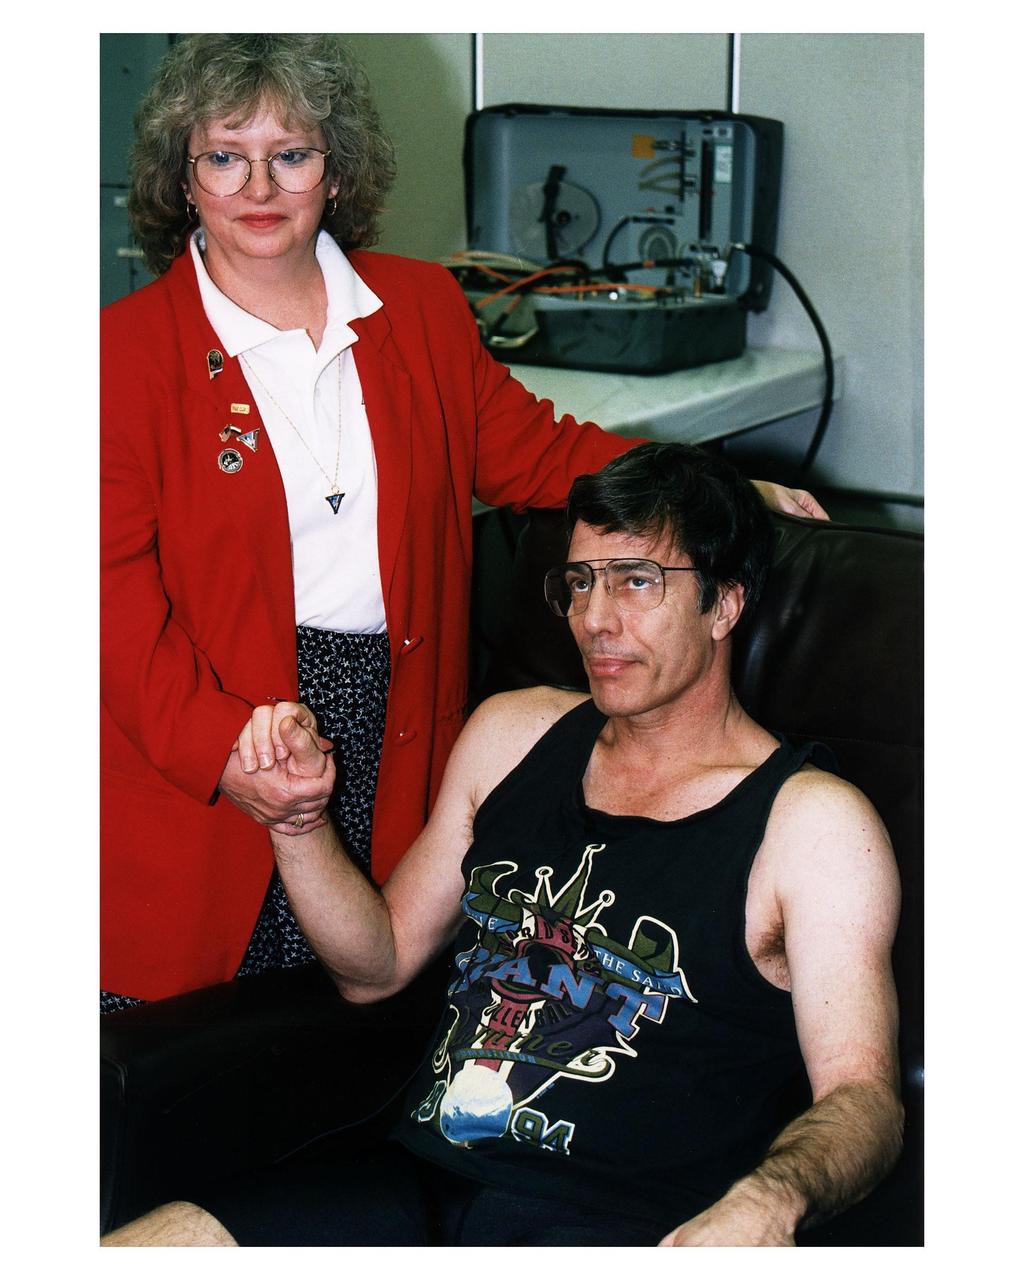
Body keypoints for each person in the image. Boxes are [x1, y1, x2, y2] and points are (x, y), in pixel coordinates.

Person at [100, 33, 828, 1011]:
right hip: (208, 742)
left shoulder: (420, 307)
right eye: (225, 157)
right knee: (194, 1049)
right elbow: (105, 611)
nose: (259, 187)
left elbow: (538, 450)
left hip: (392, 729)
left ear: (337, 168)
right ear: (182, 179)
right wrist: (226, 752)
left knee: (357, 1025)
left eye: (292, 154)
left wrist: (716, 487)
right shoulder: (116, 358)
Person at [102, 444, 900, 1247]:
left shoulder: (812, 827)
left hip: (612, 1221)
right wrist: (297, 821)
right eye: (580, 582)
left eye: (636, 581)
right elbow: (375, 968)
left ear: (723, 604)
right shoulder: (511, 736)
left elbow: (864, 1098)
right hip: (412, 1186)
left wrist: (771, 1200)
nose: (595, 618)